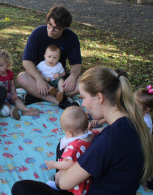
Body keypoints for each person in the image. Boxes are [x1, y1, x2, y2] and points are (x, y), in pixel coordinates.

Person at [12, 66, 153, 195]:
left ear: (99, 97)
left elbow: (64, 183)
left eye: (84, 97)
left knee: (21, 189)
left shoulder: (109, 139)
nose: (83, 104)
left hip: (87, 190)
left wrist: (61, 176)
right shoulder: (131, 123)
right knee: (63, 146)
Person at [17, 6, 81, 109]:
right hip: (39, 78)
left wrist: (72, 77)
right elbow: (27, 61)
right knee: (22, 77)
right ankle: (60, 101)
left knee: (84, 82)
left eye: (56, 28)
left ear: (64, 28)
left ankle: (37, 96)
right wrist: (39, 79)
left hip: (59, 80)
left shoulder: (71, 37)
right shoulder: (37, 33)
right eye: (49, 25)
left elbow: (76, 64)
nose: (51, 30)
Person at [45, 106, 99, 195]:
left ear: (69, 134)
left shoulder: (74, 146)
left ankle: (57, 186)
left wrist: (54, 164)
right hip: (86, 177)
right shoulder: (92, 135)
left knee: (61, 149)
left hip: (74, 182)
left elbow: (67, 163)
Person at [0, 49, 39, 120]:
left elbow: (12, 85)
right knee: (5, 104)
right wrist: (1, 96)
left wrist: (13, 93)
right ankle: (11, 112)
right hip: (0, 96)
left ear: (7, 65)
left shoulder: (9, 73)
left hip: (8, 94)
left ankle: (25, 110)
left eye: (1, 65)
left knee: (17, 99)